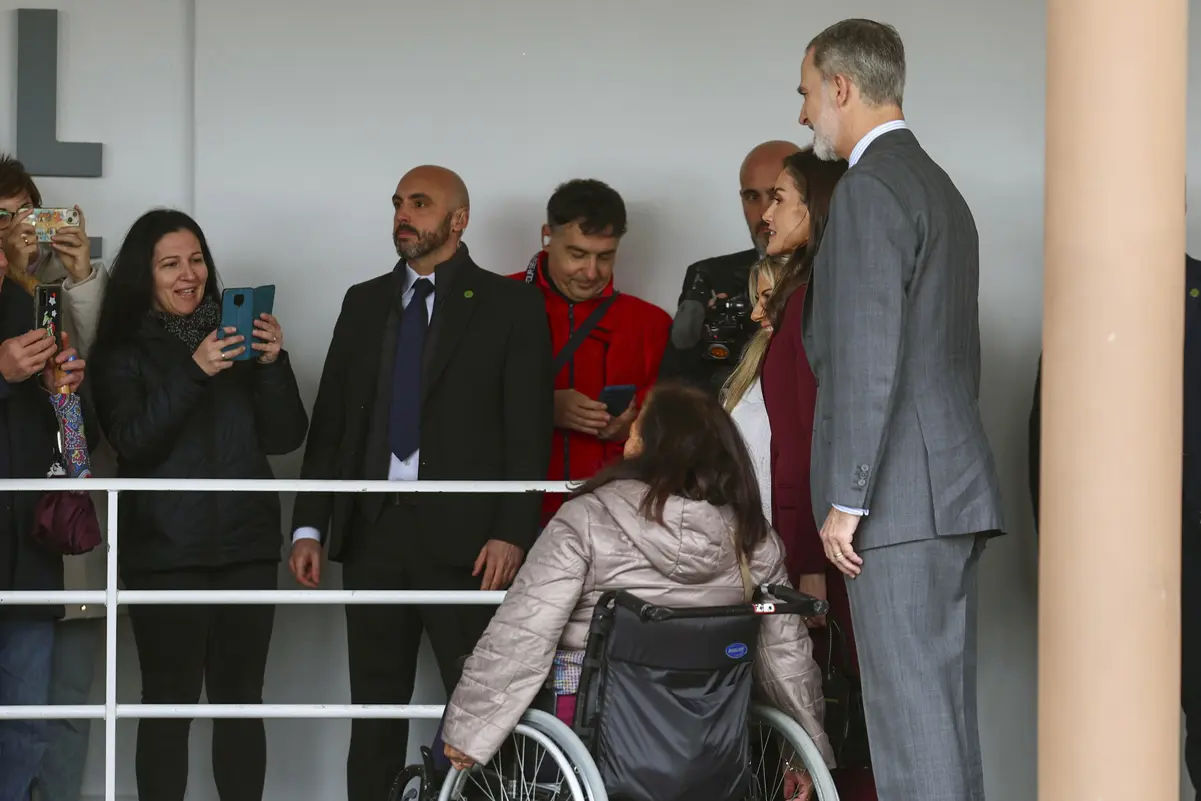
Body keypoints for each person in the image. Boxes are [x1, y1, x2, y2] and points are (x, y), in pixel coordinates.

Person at [288, 165, 554, 801]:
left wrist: (512, 532)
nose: (403, 214)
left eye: (420, 203)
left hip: (470, 547)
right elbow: (330, 423)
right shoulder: (363, 301)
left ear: (458, 221)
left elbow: (528, 431)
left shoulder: (510, 305)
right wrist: (309, 525)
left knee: (483, 715)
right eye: (399, 202)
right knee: (373, 712)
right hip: (375, 535)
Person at [440, 382, 834, 800]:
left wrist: (471, 732)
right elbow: (786, 657)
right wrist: (805, 749)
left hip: (591, 738)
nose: (627, 435)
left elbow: (524, 630)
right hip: (711, 748)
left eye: (636, 429)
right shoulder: (753, 538)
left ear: (651, 446)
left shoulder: (586, 519)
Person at [798, 19, 1005, 801]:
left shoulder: (869, 188)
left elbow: (866, 359)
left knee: (909, 724)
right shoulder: (936, 186)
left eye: (806, 93)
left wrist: (847, 500)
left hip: (896, 500)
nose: (804, 113)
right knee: (942, 719)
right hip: (944, 486)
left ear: (841, 88)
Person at [89, 209, 309, 801]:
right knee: (168, 704)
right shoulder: (120, 348)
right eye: (170, 264)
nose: (189, 275)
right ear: (145, 274)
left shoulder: (232, 332)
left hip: (246, 546)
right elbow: (131, 440)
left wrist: (271, 363)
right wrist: (195, 370)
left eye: (196, 259)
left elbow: (286, 436)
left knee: (242, 704)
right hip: (164, 551)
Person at [0, 153, 110, 801]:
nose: (13, 232)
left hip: (37, 549)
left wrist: (64, 392)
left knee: (35, 723)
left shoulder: (47, 304)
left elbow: (84, 442)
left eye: (22, 218)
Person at [509, 178, 671, 525]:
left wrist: (632, 429)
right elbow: (456, 405)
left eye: (605, 256)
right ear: (546, 237)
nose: (591, 272)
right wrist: (542, 407)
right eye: (577, 254)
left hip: (615, 522)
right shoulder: (495, 303)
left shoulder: (652, 324)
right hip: (508, 519)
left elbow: (675, 431)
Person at [658, 141, 800, 393]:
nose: (764, 212)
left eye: (776, 196)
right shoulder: (708, 276)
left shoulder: (834, 273)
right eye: (752, 196)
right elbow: (676, 384)